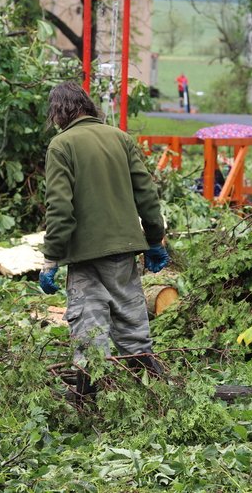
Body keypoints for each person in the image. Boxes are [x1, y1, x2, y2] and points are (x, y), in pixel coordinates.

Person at [39, 82, 170, 402]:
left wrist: (51, 258)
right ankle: (156, 397)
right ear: (88, 106)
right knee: (133, 326)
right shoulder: (121, 138)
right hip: (124, 251)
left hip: (84, 257)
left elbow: (59, 207)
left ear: (58, 113)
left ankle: (87, 403)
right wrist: (155, 239)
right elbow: (147, 196)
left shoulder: (61, 145)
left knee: (88, 329)